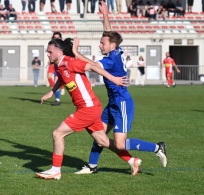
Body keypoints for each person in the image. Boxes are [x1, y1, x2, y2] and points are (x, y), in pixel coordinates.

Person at [72, 1, 167, 176]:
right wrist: (105, 14)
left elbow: (91, 65)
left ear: (111, 46)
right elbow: (110, 34)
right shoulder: (117, 51)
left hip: (122, 102)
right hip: (113, 102)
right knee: (98, 134)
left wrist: (75, 52)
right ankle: (92, 166)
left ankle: (156, 147)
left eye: (102, 43)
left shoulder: (110, 60)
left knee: (120, 144)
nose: (100, 45)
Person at [36, 38, 128, 180]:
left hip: (88, 108)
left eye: (50, 52)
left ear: (60, 52)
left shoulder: (70, 62)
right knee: (102, 141)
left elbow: (92, 67)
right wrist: (51, 92)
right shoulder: (58, 65)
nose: (48, 54)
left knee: (57, 134)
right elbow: (62, 78)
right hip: (90, 107)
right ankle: (132, 160)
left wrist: (114, 79)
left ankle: (55, 170)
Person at [47, 32, 64, 106]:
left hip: (59, 64)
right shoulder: (51, 44)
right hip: (53, 63)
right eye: (55, 37)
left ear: (60, 38)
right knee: (49, 76)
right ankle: (54, 89)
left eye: (58, 37)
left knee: (57, 80)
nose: (56, 39)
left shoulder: (62, 46)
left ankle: (57, 98)